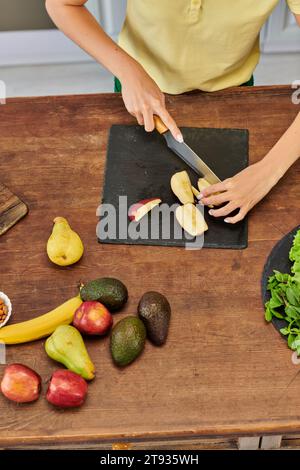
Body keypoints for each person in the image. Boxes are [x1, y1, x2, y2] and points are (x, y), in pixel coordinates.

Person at [46, 0, 300, 223]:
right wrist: (127, 71)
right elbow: (62, 5)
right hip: (140, 88)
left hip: (234, 94)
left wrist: (268, 172)